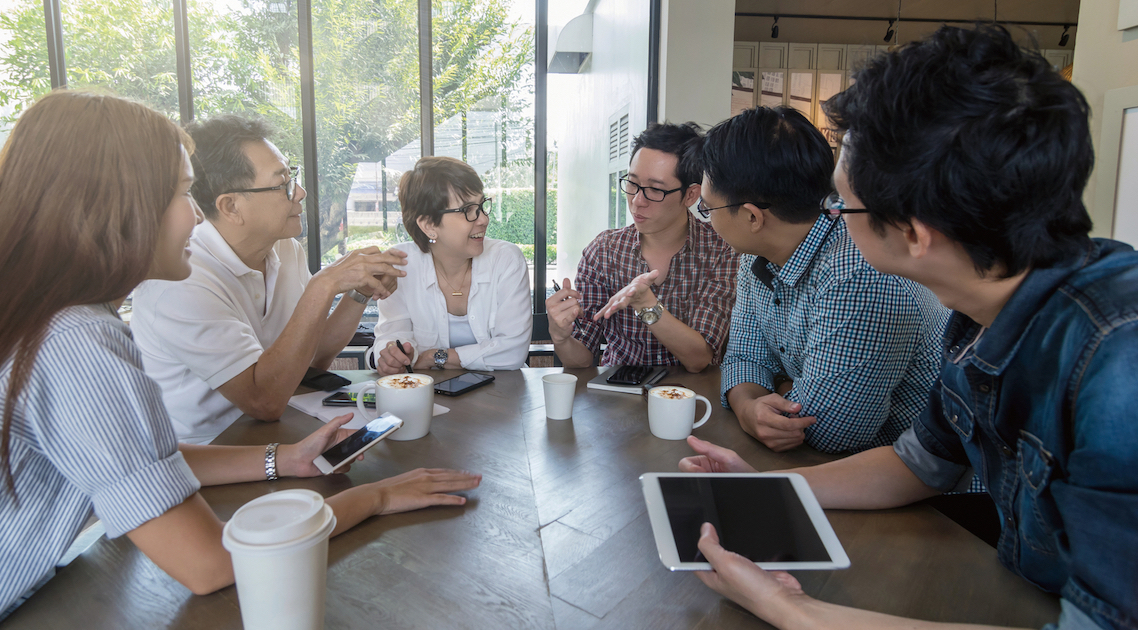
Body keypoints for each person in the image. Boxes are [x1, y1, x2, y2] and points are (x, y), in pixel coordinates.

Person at [0, 91, 480, 630]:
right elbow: (210, 564)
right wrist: (377, 496)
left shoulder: (32, 317)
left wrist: (283, 459)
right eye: (180, 193)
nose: (195, 212)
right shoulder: (75, 343)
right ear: (116, 207)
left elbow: (140, 459)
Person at [680, 26, 1136, 630]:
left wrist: (790, 608)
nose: (832, 221)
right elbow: (919, 463)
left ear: (915, 233)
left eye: (844, 206)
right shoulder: (983, 313)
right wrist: (772, 488)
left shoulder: (1118, 364)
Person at [131, 115, 407, 444]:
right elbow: (263, 401)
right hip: (206, 459)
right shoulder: (181, 278)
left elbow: (311, 358)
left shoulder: (285, 249)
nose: (300, 192)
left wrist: (359, 294)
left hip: (278, 437)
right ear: (231, 206)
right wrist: (323, 285)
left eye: (294, 177)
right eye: (283, 184)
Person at [699, 107, 948, 454]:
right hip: (846, 472)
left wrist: (779, 388)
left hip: (936, 494)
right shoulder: (756, 256)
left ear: (753, 217)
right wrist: (748, 406)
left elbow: (831, 430)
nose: (707, 219)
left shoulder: (857, 272)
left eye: (707, 209)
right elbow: (743, 356)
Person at [546, 122, 741, 372]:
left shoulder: (721, 250)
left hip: (693, 399)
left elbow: (699, 358)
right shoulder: (604, 251)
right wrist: (561, 337)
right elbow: (583, 358)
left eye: (655, 190)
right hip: (617, 395)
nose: (637, 201)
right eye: (633, 183)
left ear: (691, 195)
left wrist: (646, 305)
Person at [373, 156, 532, 374]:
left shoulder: (506, 260)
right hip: (427, 395)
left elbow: (512, 353)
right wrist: (393, 354)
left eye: (481, 205)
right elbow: (391, 337)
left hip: (503, 394)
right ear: (429, 225)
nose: (483, 219)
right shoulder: (401, 266)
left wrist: (433, 356)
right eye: (468, 210)